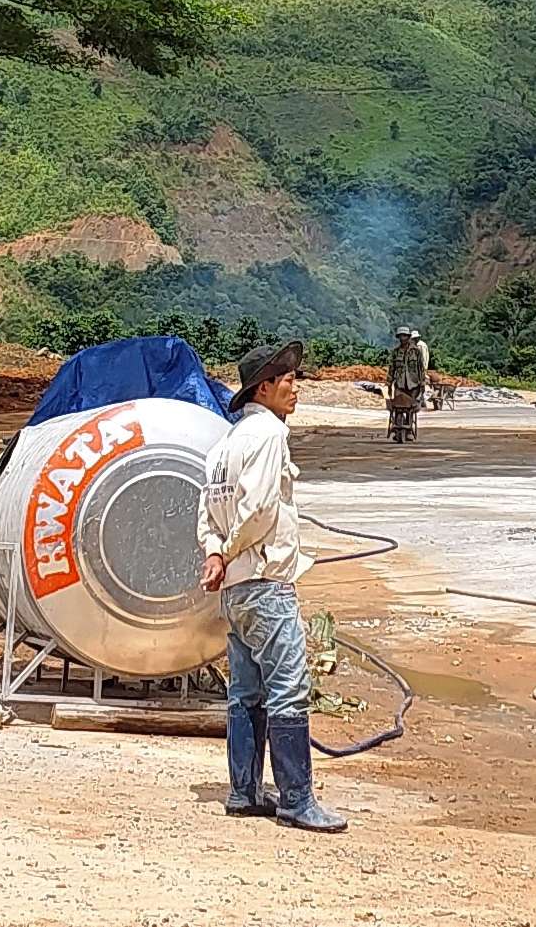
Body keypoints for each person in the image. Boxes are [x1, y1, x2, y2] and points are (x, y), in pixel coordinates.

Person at [199, 341, 348, 832]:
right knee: (287, 687)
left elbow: (206, 517)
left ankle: (244, 792)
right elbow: (259, 511)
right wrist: (233, 548)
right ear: (264, 387)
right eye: (289, 380)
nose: (296, 389)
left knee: (246, 693)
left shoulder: (223, 447)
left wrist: (215, 554)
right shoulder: (267, 436)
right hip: (264, 580)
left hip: (235, 590)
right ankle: (296, 800)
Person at [385, 327, 428, 444]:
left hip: (413, 384)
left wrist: (423, 382)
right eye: (400, 336)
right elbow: (391, 368)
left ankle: (408, 431)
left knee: (410, 408)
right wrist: (388, 383)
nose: (402, 338)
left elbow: (421, 368)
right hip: (399, 383)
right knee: (398, 407)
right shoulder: (395, 352)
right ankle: (397, 427)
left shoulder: (416, 351)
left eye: (404, 336)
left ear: (408, 337)